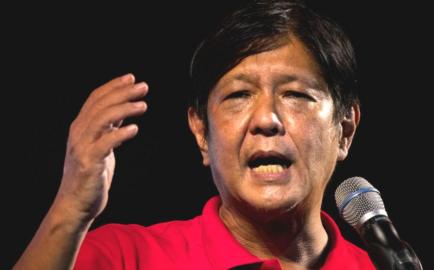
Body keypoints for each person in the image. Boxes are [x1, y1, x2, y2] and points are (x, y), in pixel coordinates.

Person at [13, 0, 374, 269]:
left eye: (295, 94)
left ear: (344, 130)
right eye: (239, 95)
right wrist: (72, 207)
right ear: (201, 133)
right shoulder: (126, 258)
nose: (266, 118)